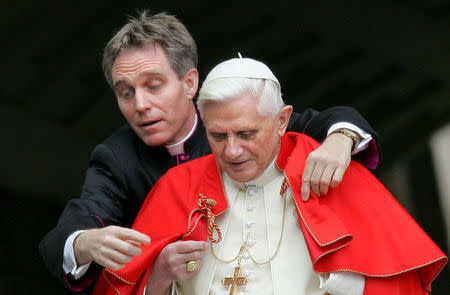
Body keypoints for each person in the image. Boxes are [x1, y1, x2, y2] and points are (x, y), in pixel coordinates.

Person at [39, 10, 381, 292]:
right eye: (125, 93)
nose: (140, 105)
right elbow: (75, 226)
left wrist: (341, 140)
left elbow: (327, 121)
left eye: (153, 86)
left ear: (190, 83)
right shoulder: (117, 157)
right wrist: (84, 242)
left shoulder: (232, 118)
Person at [93, 57, 447, 295]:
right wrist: (158, 276)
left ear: (281, 121)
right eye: (218, 137)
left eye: (246, 134)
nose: (232, 151)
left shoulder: (328, 173)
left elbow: (391, 284)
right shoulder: (176, 186)